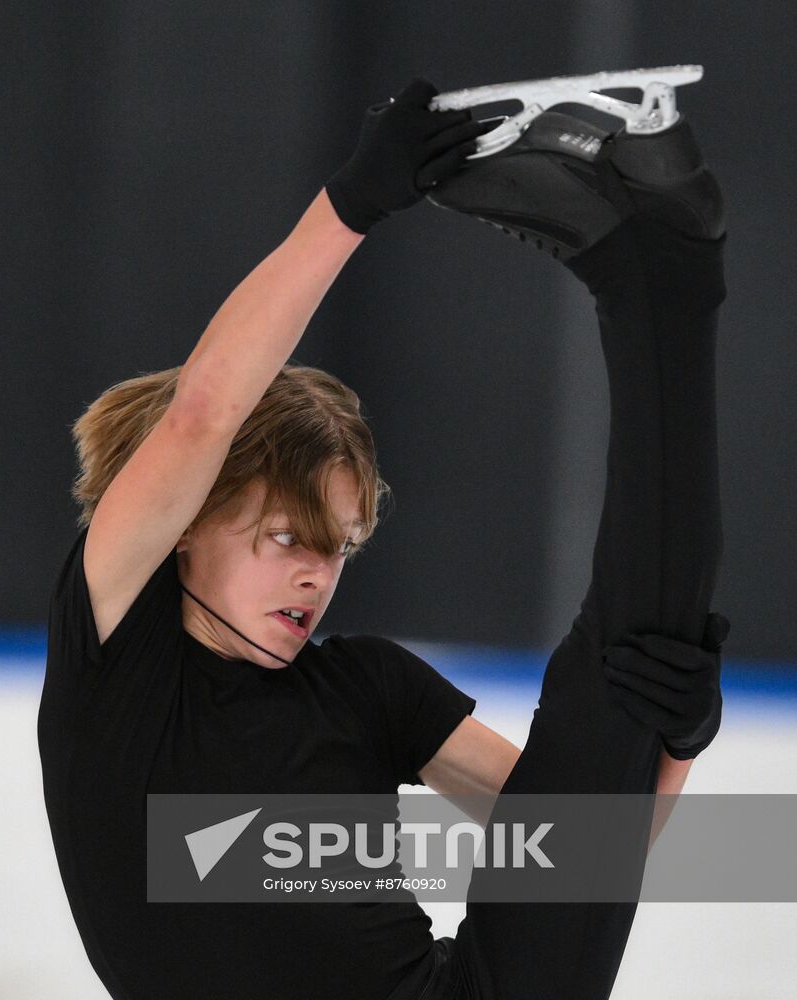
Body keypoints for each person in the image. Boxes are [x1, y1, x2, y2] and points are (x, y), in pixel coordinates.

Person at [37, 77, 729, 1000]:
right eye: (289, 537)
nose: (319, 576)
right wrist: (349, 206)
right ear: (190, 524)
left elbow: (582, 858)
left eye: (340, 548)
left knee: (635, 673)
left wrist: (675, 745)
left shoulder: (368, 688)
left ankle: (659, 287)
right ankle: (656, 283)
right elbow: (203, 414)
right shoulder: (119, 657)